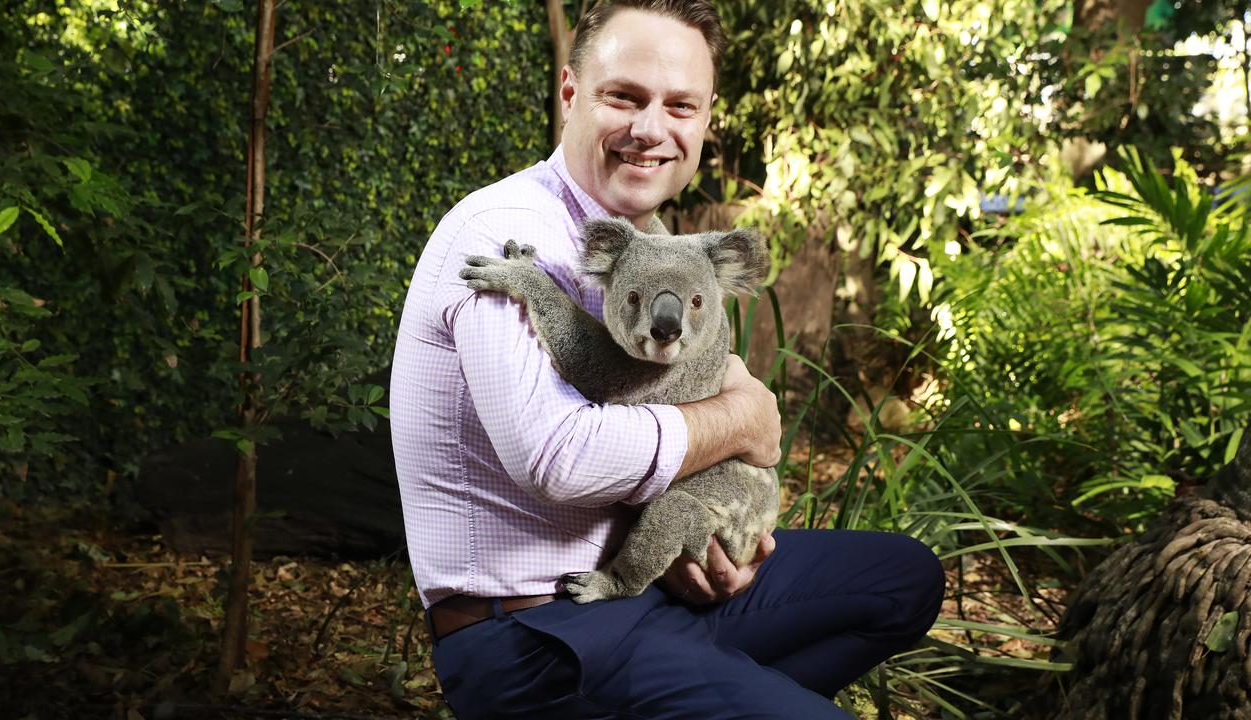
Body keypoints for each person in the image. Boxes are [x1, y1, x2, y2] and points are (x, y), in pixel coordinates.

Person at [388, 1, 945, 717]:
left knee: (902, 578)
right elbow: (554, 458)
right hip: (535, 632)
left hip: (644, 590)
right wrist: (740, 420)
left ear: (706, 120)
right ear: (570, 94)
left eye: (679, 105)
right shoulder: (507, 230)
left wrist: (711, 523)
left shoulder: (658, 248)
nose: (650, 129)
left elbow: (699, 381)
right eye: (625, 96)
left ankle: (715, 689)